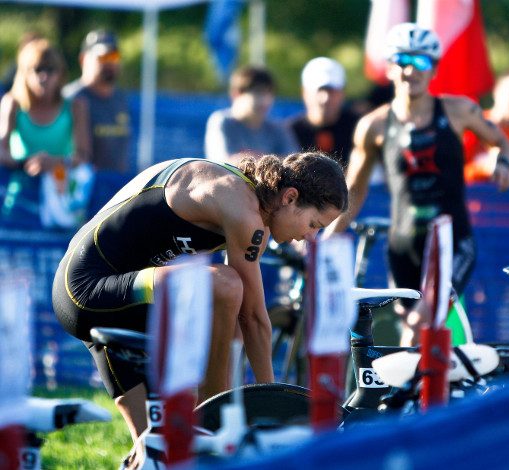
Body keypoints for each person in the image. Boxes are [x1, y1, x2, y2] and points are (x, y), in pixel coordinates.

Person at [51, 152, 347, 467]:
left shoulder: (251, 191)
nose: (310, 237)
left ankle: (207, 429)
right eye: (314, 224)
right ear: (290, 197)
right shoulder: (244, 210)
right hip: (88, 291)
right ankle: (215, 418)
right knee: (228, 287)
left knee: (162, 455)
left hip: (116, 302)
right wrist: (271, 402)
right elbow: (254, 318)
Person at [324, 23, 509, 347]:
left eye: (421, 62)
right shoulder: (373, 126)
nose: (410, 69)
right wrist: (327, 236)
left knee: (421, 320)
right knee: (411, 335)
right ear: (389, 67)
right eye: (401, 60)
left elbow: (501, 142)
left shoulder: (459, 110)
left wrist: (505, 163)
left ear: (435, 69)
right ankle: (431, 396)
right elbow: (354, 190)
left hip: (453, 242)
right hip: (403, 247)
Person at [0, 38, 91, 228]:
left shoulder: (76, 107)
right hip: (20, 199)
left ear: (60, 74)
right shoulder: (12, 104)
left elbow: (83, 155)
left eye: (50, 70)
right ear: (25, 73)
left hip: (61, 199)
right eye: (37, 69)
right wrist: (26, 163)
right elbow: (2, 149)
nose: (44, 76)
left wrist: (53, 163)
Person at [63, 29, 132, 175]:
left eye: (113, 56)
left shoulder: (119, 98)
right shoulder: (71, 98)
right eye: (102, 57)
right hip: (83, 189)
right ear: (83, 59)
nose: (109, 62)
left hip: (117, 188)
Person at [204, 66, 298, 164]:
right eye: (258, 92)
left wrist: (249, 158)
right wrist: (271, 161)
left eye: (269, 93)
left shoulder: (278, 128)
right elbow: (224, 163)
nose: (265, 100)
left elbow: (293, 163)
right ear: (236, 94)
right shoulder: (222, 121)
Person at [288, 57, 359, 166]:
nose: (325, 98)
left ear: (342, 93)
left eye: (332, 91)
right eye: (319, 90)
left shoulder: (358, 127)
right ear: (304, 92)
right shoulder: (289, 132)